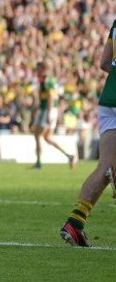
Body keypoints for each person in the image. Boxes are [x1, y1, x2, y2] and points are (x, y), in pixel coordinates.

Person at [59, 20, 116, 247]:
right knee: (109, 167)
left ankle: (75, 223)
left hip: (109, 100)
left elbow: (104, 62)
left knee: (105, 167)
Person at [30, 60, 77, 169]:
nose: (36, 72)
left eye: (38, 69)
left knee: (37, 134)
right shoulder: (47, 80)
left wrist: (48, 113)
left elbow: (51, 97)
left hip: (47, 111)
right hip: (49, 110)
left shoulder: (47, 81)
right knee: (47, 138)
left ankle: (38, 162)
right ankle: (69, 156)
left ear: (43, 69)